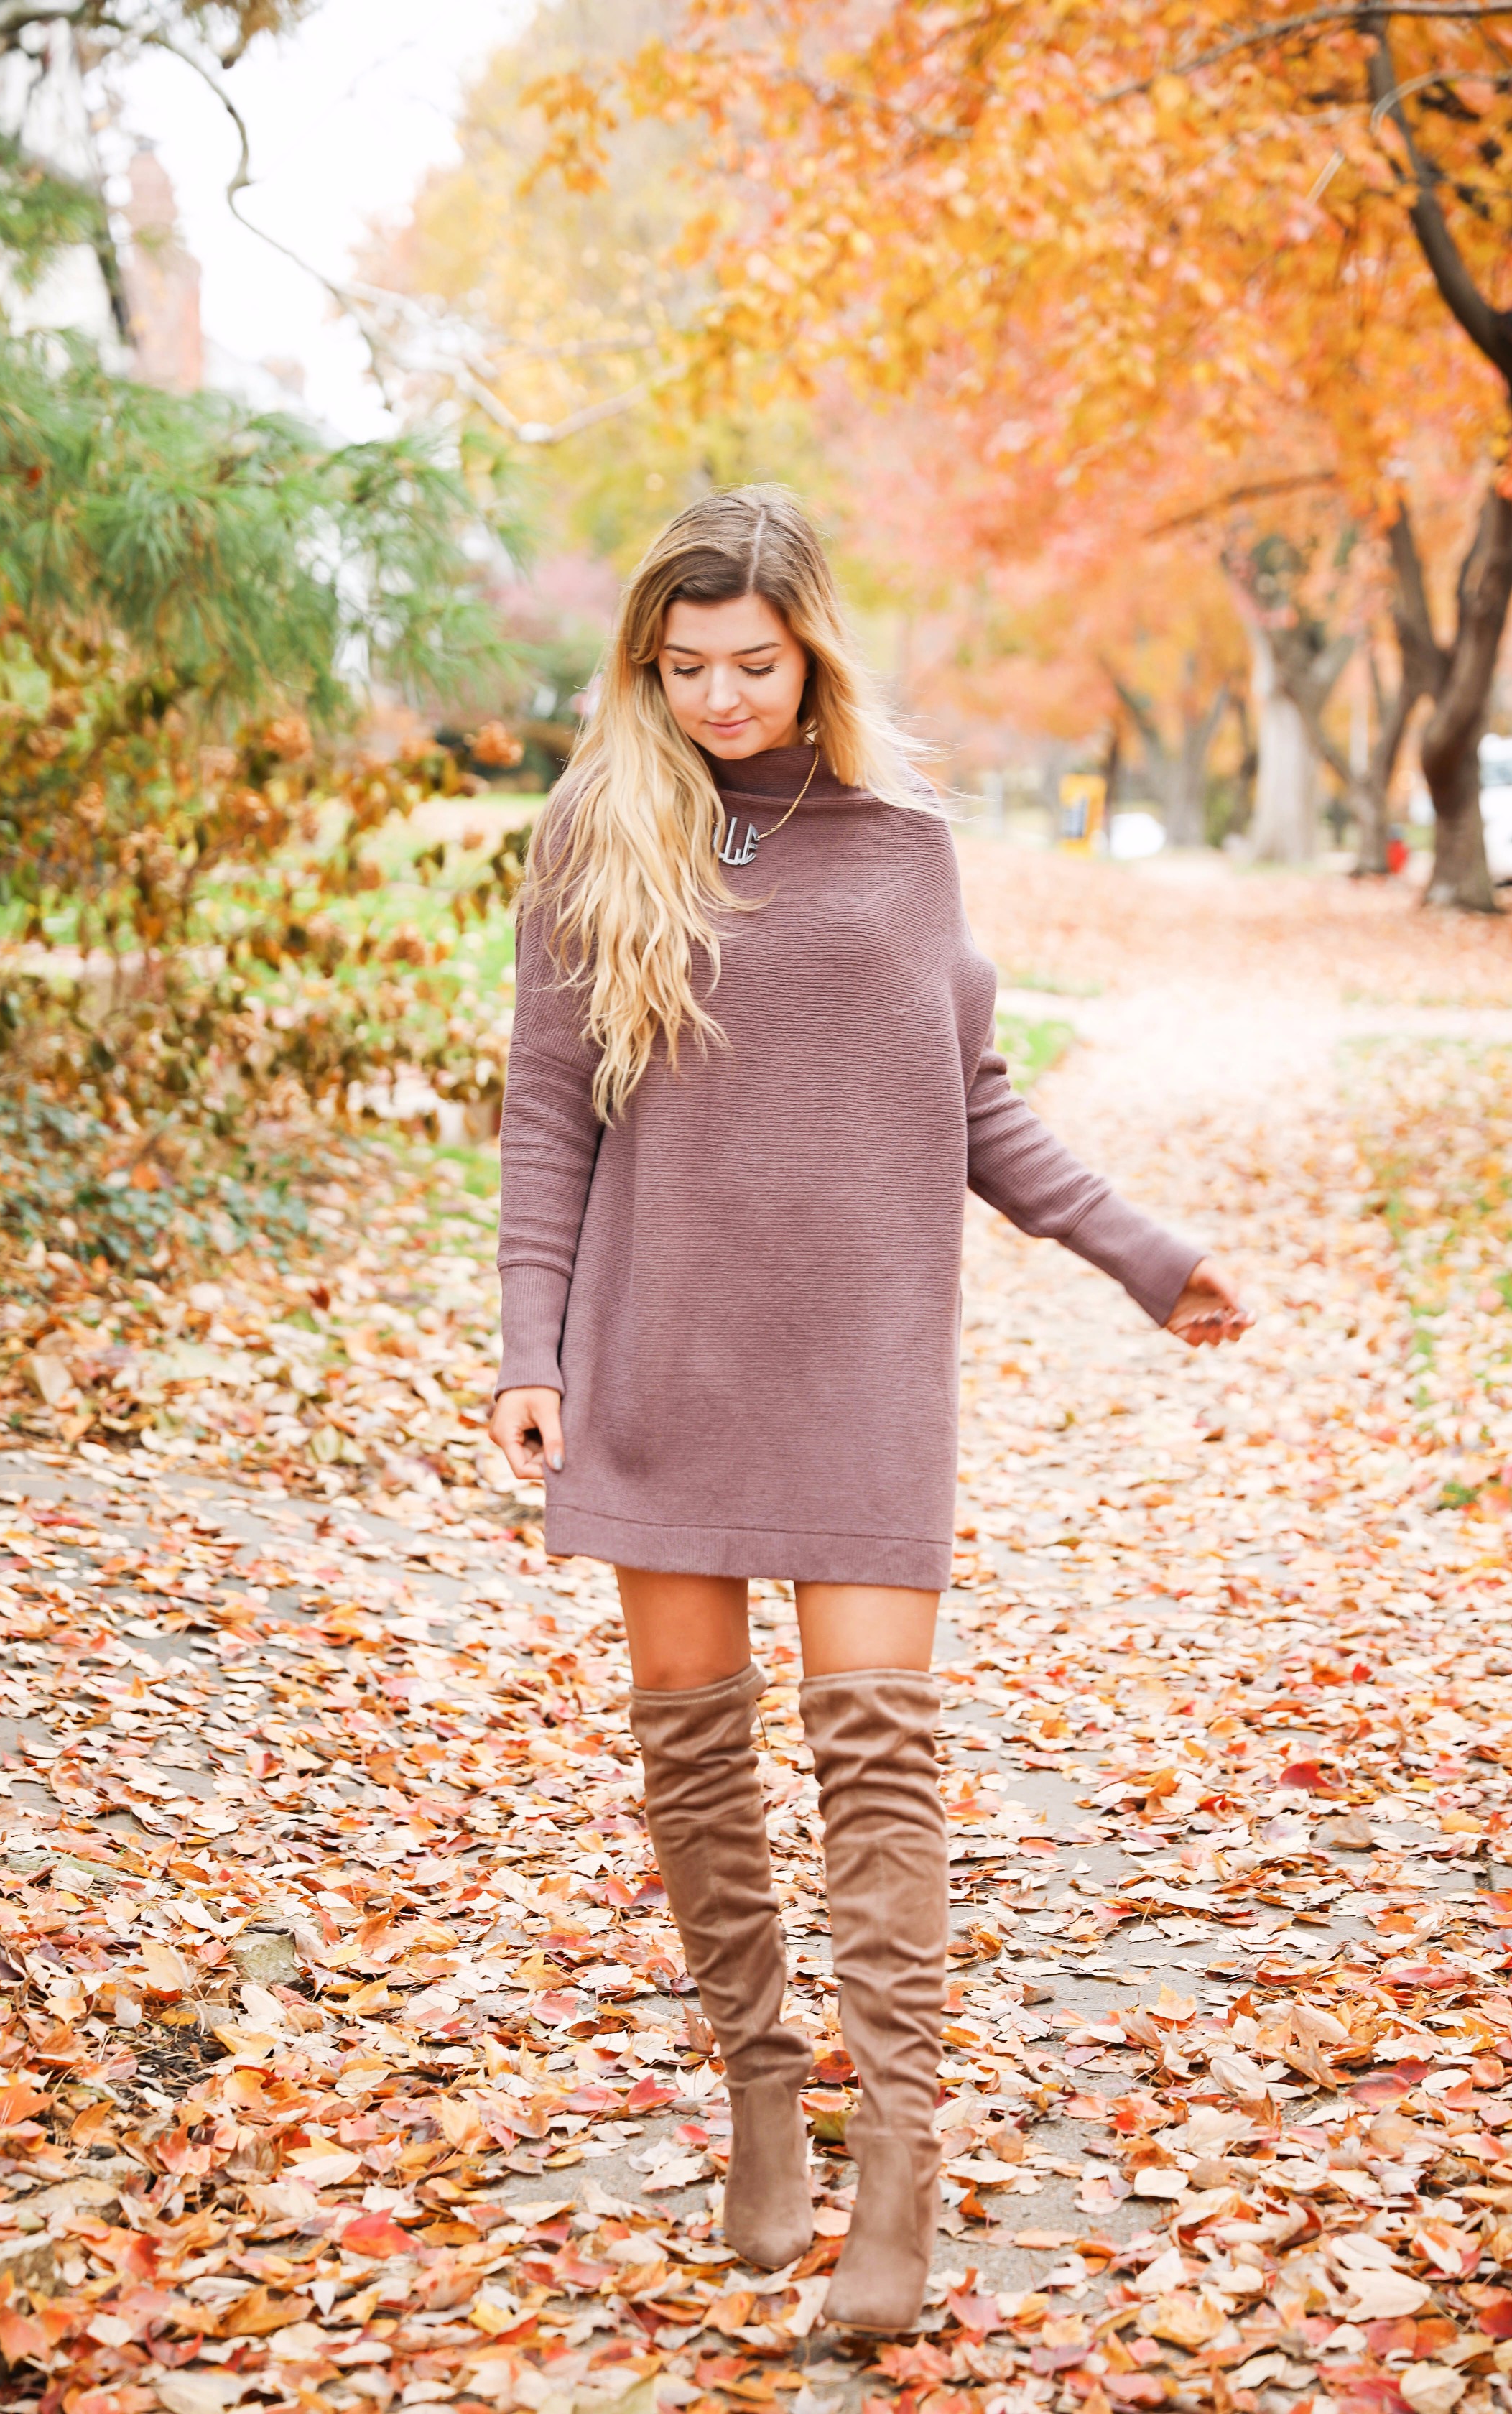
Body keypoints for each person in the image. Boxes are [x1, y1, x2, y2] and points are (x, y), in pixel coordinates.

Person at [488, 488, 1251, 2333]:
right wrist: (531, 1348)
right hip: (659, 1348)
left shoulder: (905, 849)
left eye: (752, 664)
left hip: (859, 1356)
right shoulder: (598, 835)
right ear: (643, 668)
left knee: (877, 1754)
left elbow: (970, 1098)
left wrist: (1143, 1254)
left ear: (812, 650)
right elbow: (547, 1114)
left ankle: (899, 2156)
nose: (720, 698)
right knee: (692, 1757)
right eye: (682, 670)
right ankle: (763, 2089)